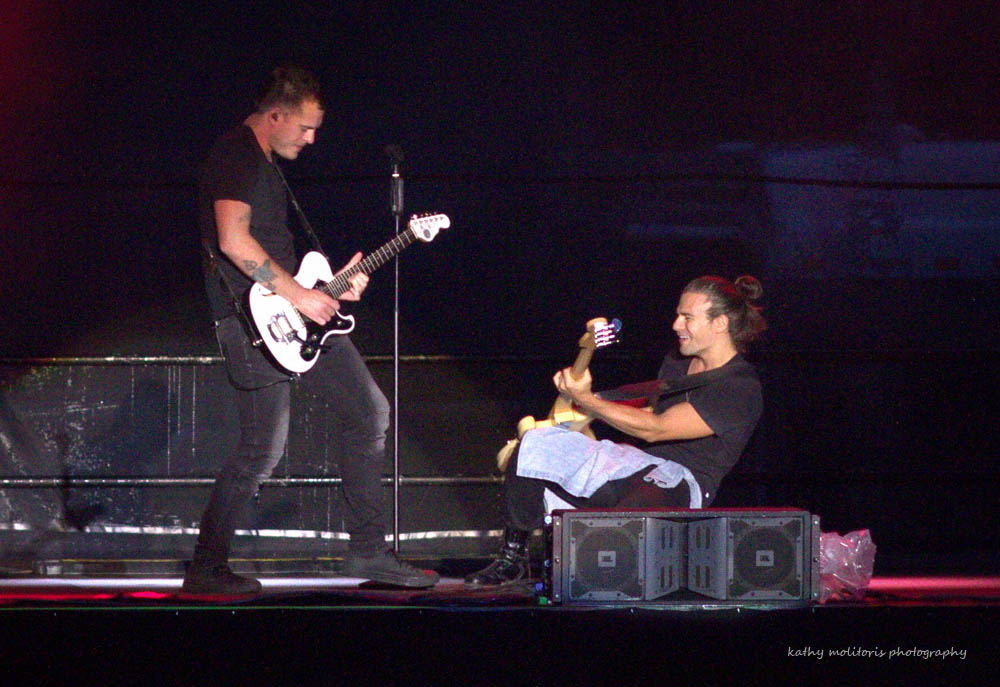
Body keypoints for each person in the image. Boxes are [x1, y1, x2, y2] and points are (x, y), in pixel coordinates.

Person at [184, 64, 439, 594]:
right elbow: (233, 240)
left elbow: (277, 256)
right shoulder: (235, 154)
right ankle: (206, 569)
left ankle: (368, 550)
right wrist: (298, 295)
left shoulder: (266, 165)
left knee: (369, 412)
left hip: (294, 313)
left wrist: (331, 288)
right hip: (252, 322)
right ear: (275, 115)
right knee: (261, 450)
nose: (311, 139)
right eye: (304, 127)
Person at [465, 275, 766, 588]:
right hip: (636, 463)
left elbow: (658, 429)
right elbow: (649, 414)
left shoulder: (740, 387)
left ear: (720, 323)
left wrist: (588, 400)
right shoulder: (678, 360)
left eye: (687, 317)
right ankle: (513, 560)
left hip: (683, 480)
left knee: (629, 513)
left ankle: (600, 573)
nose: (676, 325)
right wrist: (585, 418)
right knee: (536, 443)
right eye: (678, 315)